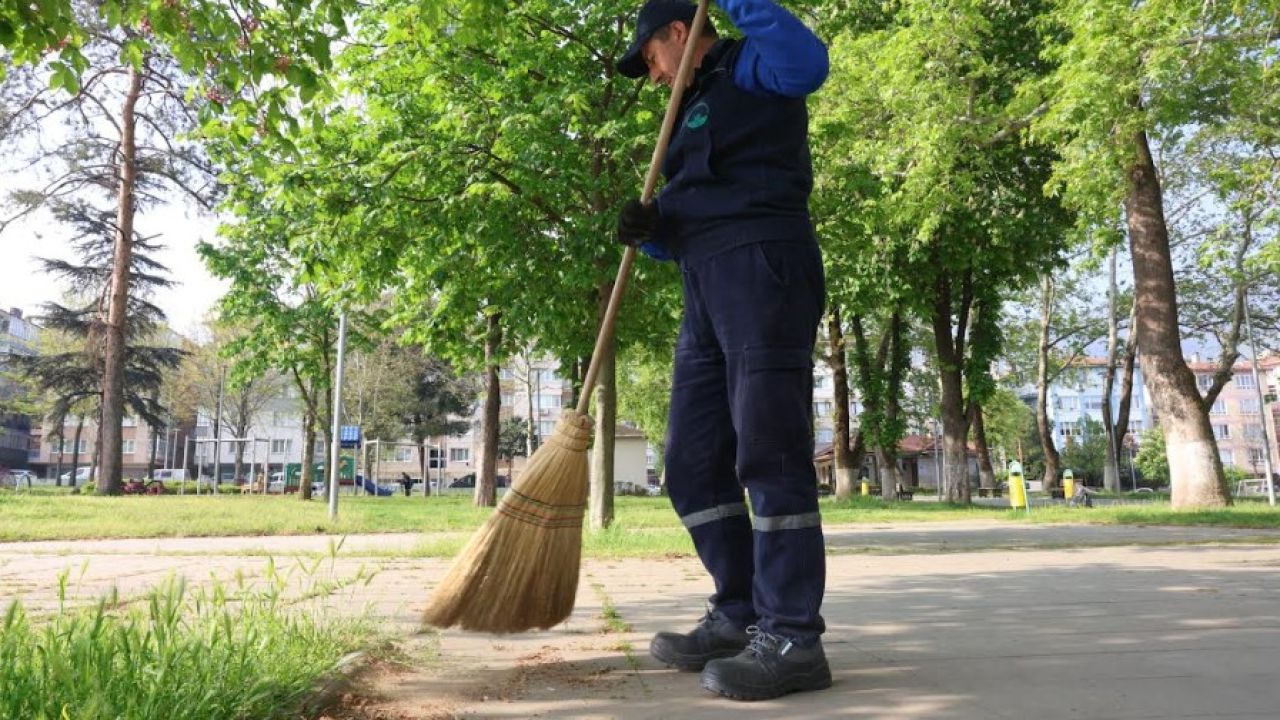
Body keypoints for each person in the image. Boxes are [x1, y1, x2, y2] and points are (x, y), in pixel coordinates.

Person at [614, 0, 830, 702]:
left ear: (679, 32)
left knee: (768, 452)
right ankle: (740, 614)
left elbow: (810, 65)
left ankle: (793, 636)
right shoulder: (688, 105)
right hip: (705, 283)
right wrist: (653, 232)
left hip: (762, 266)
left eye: (649, 57)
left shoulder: (751, 65)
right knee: (691, 463)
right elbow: (694, 207)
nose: (651, 76)